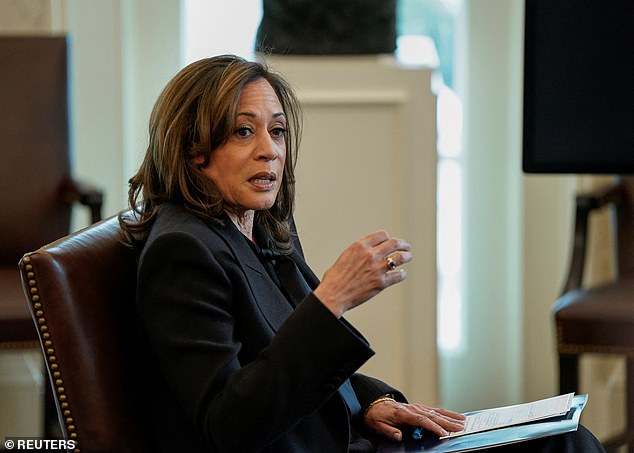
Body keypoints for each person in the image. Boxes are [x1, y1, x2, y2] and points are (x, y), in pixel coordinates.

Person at [119, 55, 605, 453]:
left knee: (564, 436)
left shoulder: (259, 225)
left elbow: (284, 367)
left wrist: (366, 402)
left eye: (278, 131)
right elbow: (229, 424)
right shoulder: (182, 253)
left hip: (353, 436)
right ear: (191, 148)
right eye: (244, 132)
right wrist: (330, 300)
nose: (270, 151)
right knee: (567, 448)